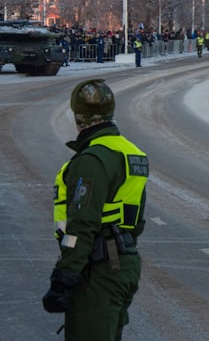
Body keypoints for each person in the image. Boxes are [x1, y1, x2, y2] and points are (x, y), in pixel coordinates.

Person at [43, 79, 148, 340]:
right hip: (125, 263)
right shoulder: (130, 153)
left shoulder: (92, 159)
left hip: (99, 269)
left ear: (77, 116)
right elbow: (136, 219)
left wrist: (65, 275)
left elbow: (83, 224)